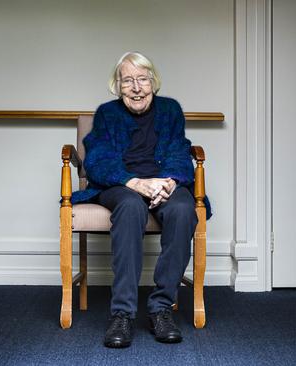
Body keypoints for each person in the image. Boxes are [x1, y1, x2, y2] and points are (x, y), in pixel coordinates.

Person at [71, 52, 207, 348]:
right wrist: (135, 182)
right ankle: (122, 313)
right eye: (127, 80)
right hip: (121, 183)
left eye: (142, 79)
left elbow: (179, 149)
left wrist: (169, 182)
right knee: (131, 206)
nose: (136, 87)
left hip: (163, 181)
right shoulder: (107, 113)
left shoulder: (170, 110)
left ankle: (161, 308)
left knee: (184, 209)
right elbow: (97, 158)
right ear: (117, 86)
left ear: (153, 82)